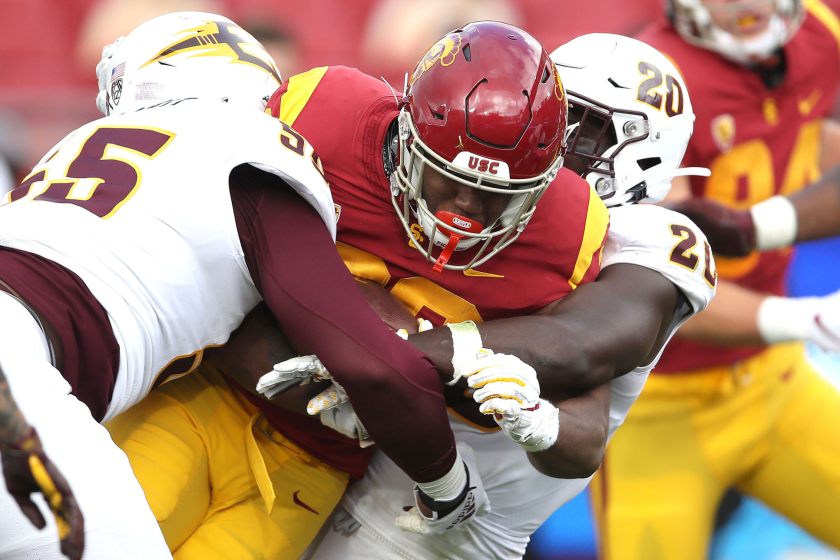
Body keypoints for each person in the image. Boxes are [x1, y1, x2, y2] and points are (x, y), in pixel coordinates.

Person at [106, 20, 615, 560]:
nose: (468, 208)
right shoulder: (327, 114)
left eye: (498, 194)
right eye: (450, 178)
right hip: (203, 395)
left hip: (320, 463)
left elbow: (586, 423)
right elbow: (205, 258)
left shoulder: (569, 230)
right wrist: (368, 352)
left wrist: (538, 418)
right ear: (407, 134)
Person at [0, 11, 477, 560]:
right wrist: (448, 485)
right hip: (21, 377)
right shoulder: (250, 148)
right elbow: (371, 361)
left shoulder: (78, 144)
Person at [291, 32, 716, 559]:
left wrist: (386, 355)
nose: (544, 141)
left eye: (578, 129)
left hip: (448, 531)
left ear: (643, 152)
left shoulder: (642, 238)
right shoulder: (488, 206)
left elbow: (579, 347)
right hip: (341, 466)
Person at [592, 2, 840, 559]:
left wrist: (764, 224)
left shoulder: (821, 35)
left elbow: (819, 156)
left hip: (774, 380)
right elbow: (660, 278)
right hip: (656, 410)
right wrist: (804, 318)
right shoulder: (649, 82)